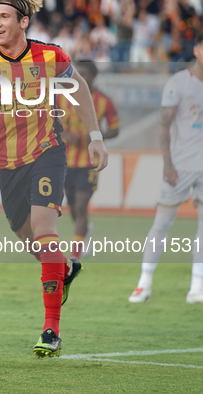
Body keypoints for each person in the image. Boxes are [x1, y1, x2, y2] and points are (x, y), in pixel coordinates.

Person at [0, 0, 108, 358]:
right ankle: (64, 270)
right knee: (25, 234)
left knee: (45, 231)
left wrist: (95, 137)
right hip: (6, 163)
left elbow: (80, 88)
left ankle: (51, 330)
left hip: (48, 153)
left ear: (22, 22)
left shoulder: (51, 56)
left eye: (4, 17)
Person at [128, 31, 203, 306]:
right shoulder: (178, 83)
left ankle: (197, 288)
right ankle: (144, 284)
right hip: (180, 164)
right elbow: (164, 125)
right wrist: (168, 164)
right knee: (162, 223)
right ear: (197, 51)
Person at [57, 60, 119, 258]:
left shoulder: (104, 101)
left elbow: (115, 129)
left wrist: (94, 136)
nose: (80, 77)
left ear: (94, 76)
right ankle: (84, 233)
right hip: (65, 162)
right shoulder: (60, 98)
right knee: (72, 205)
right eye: (77, 73)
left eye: (84, 73)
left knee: (82, 205)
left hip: (90, 163)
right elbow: (48, 124)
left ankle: (75, 256)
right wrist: (66, 135)